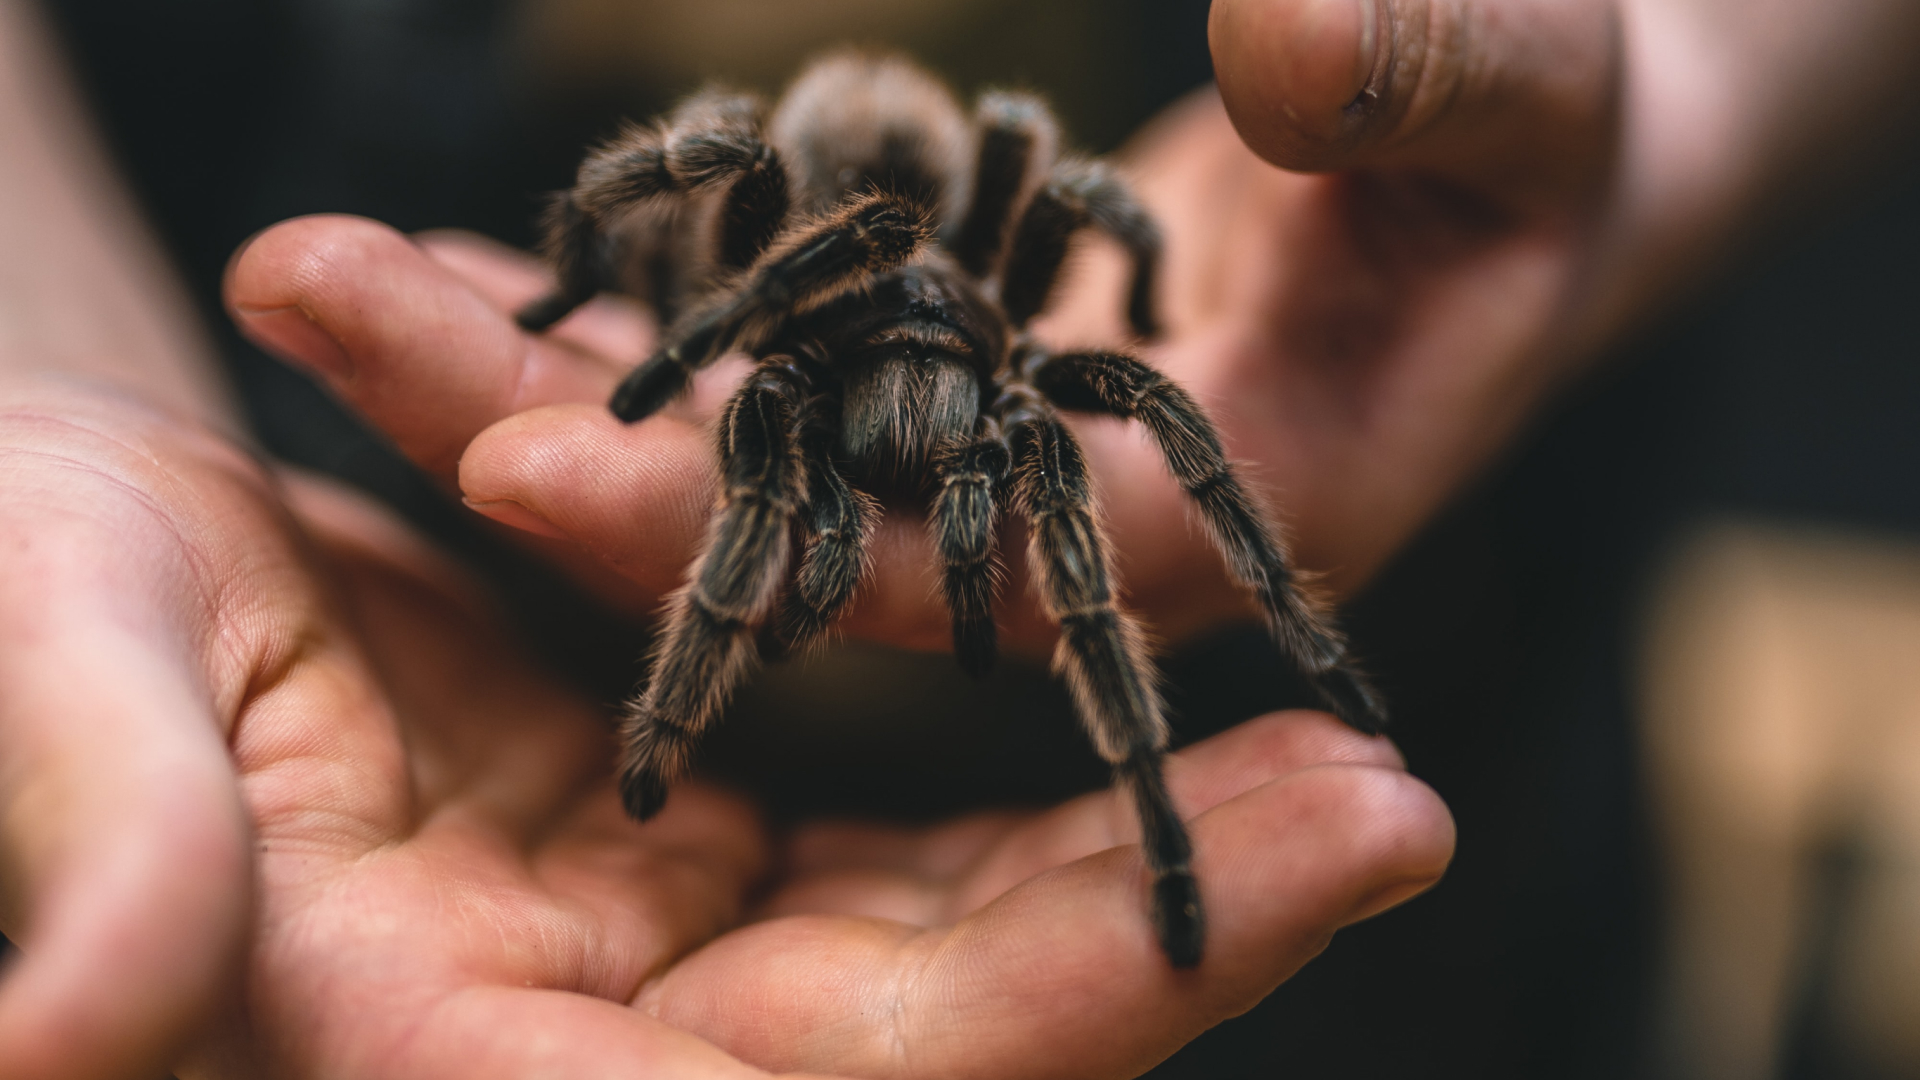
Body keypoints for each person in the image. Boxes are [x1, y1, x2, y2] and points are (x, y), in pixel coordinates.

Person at [2, 0, 1917, 1078]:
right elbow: (723, 247)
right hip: (468, 510)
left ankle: (1222, 767)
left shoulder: (1014, 351)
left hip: (1469, 833)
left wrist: (1673, 82)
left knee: (1156, 446)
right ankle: (656, 744)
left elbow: (1093, 225)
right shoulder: (782, 308)